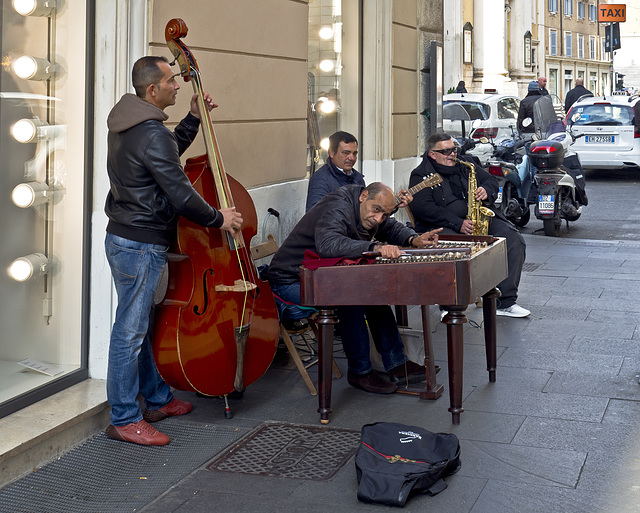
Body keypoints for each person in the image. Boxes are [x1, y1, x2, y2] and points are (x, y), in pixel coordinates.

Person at [103, 56, 243, 446]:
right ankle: (125, 418)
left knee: (138, 326)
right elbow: (180, 193)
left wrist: (193, 118)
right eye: (171, 81)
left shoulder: (130, 123)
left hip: (123, 237)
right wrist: (219, 218)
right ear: (153, 90)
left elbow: (163, 156)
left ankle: (158, 398)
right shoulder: (150, 132)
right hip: (142, 243)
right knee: (129, 333)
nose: (178, 86)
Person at [267, 183, 441, 394]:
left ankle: (397, 363)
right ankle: (360, 372)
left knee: (373, 293)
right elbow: (329, 244)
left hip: (317, 276)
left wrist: (414, 238)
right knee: (350, 298)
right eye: (376, 210)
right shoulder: (338, 206)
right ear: (363, 196)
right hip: (290, 280)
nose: (378, 218)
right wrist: (374, 248)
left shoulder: (369, 209)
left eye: (383, 214)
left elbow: (389, 226)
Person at [408, 133, 530, 318]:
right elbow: (423, 208)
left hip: (477, 219)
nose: (452, 154)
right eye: (446, 151)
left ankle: (504, 302)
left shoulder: (466, 164)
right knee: (452, 248)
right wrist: (458, 224)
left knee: (513, 239)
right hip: (444, 225)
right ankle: (449, 306)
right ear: (433, 154)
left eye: (454, 149)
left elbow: (490, 180)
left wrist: (486, 190)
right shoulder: (420, 174)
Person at [306, 131, 363, 212]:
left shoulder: (358, 179)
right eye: (346, 153)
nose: (352, 158)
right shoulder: (321, 179)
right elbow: (315, 215)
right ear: (332, 153)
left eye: (354, 153)